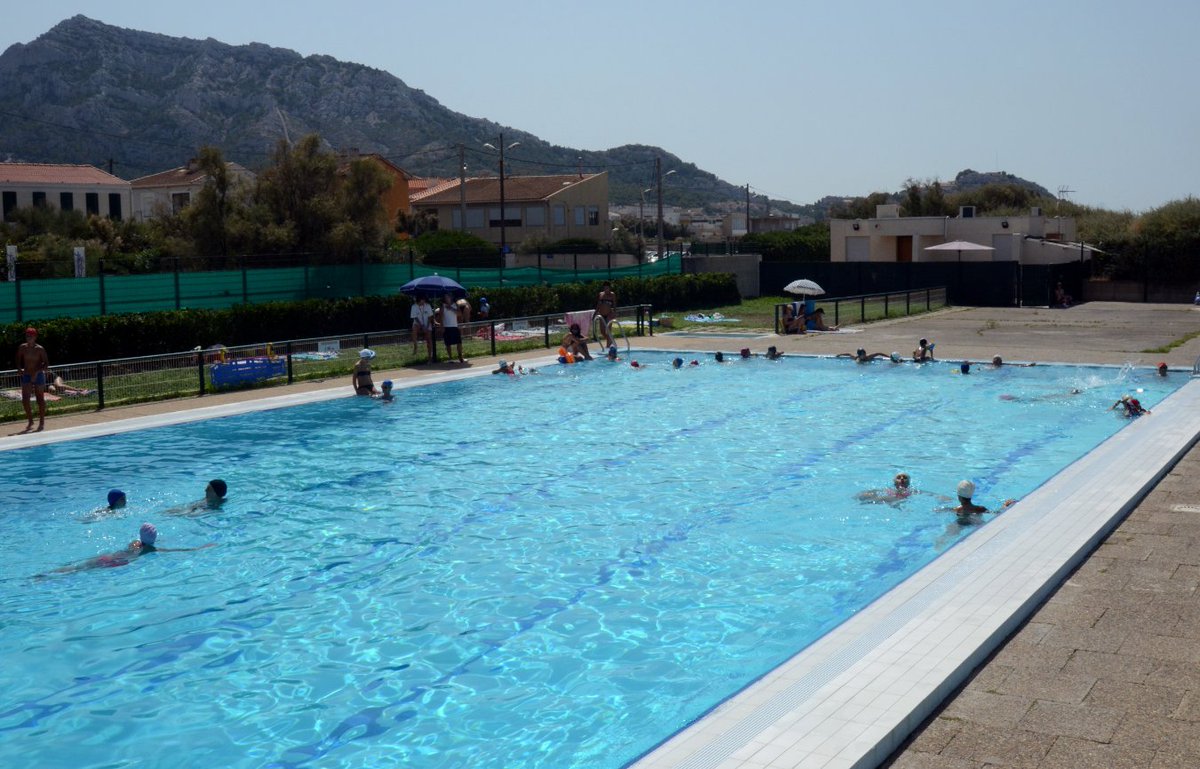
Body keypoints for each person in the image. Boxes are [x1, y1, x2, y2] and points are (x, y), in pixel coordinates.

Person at [44, 523, 214, 575]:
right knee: (79, 570)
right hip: (117, 563)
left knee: (78, 566)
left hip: (110, 557)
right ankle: (49, 576)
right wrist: (198, 548)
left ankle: (50, 573)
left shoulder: (135, 542)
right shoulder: (151, 550)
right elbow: (176, 551)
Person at [15, 326, 50, 432]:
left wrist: (37, 372)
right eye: (27, 335)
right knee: (25, 400)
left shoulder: (40, 349)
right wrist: (19, 368)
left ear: (35, 337)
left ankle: (42, 422)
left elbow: (46, 364)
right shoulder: (22, 347)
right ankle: (30, 421)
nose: (28, 337)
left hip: (38, 375)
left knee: (40, 399)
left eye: (30, 336)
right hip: (26, 374)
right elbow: (17, 358)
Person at [161, 479, 228, 517]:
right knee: (168, 511)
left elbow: (193, 515)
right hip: (195, 508)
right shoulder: (207, 500)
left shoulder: (215, 506)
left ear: (214, 493)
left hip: (197, 511)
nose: (205, 490)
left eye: (208, 489)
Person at [437, 293, 466, 363]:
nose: (447, 298)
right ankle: (450, 358)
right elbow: (440, 317)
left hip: (454, 326)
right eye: (446, 297)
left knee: (459, 342)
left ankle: (460, 357)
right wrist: (442, 326)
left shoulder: (455, 305)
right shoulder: (442, 306)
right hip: (446, 327)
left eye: (448, 297)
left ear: (451, 297)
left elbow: (460, 314)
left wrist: (452, 308)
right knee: (448, 344)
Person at [410, 296, 434, 361]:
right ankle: (415, 346)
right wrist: (421, 325)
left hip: (427, 324)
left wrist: (427, 326)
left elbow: (430, 317)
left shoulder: (428, 305)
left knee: (429, 339)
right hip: (418, 323)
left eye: (424, 300)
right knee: (414, 328)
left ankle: (430, 357)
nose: (423, 302)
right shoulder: (414, 306)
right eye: (422, 300)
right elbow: (415, 317)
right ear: (419, 300)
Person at [595, 282, 617, 348]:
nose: (606, 289)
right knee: (602, 331)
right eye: (605, 288)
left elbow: (615, 305)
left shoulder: (612, 295)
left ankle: (608, 346)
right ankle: (610, 341)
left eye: (607, 288)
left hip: (609, 314)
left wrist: (614, 313)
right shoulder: (601, 294)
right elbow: (598, 305)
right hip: (601, 314)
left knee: (608, 331)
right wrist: (595, 313)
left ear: (610, 288)